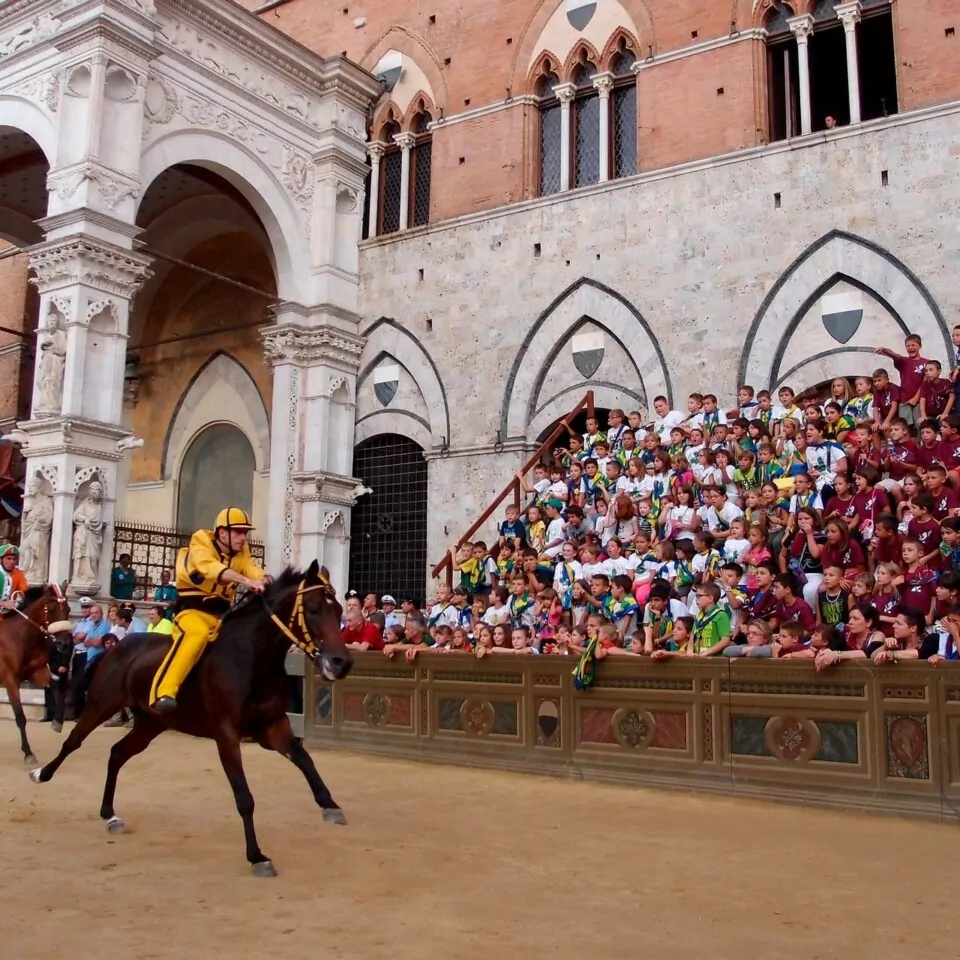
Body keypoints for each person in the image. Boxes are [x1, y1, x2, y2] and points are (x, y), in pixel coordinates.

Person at [149, 507, 270, 714]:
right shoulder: (201, 541)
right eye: (238, 532)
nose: (243, 537)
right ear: (222, 532)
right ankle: (163, 693)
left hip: (222, 616)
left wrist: (264, 578)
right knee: (196, 634)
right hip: (192, 611)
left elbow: (250, 567)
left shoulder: (242, 551)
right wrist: (245, 580)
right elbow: (208, 567)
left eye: (245, 533)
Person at [0, 544, 28, 611]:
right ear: (0, 560)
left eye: (14, 559)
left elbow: (24, 590)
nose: (12, 562)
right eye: (9, 558)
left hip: (8, 612)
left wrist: (19, 600)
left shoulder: (19, 573)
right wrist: (3, 603)